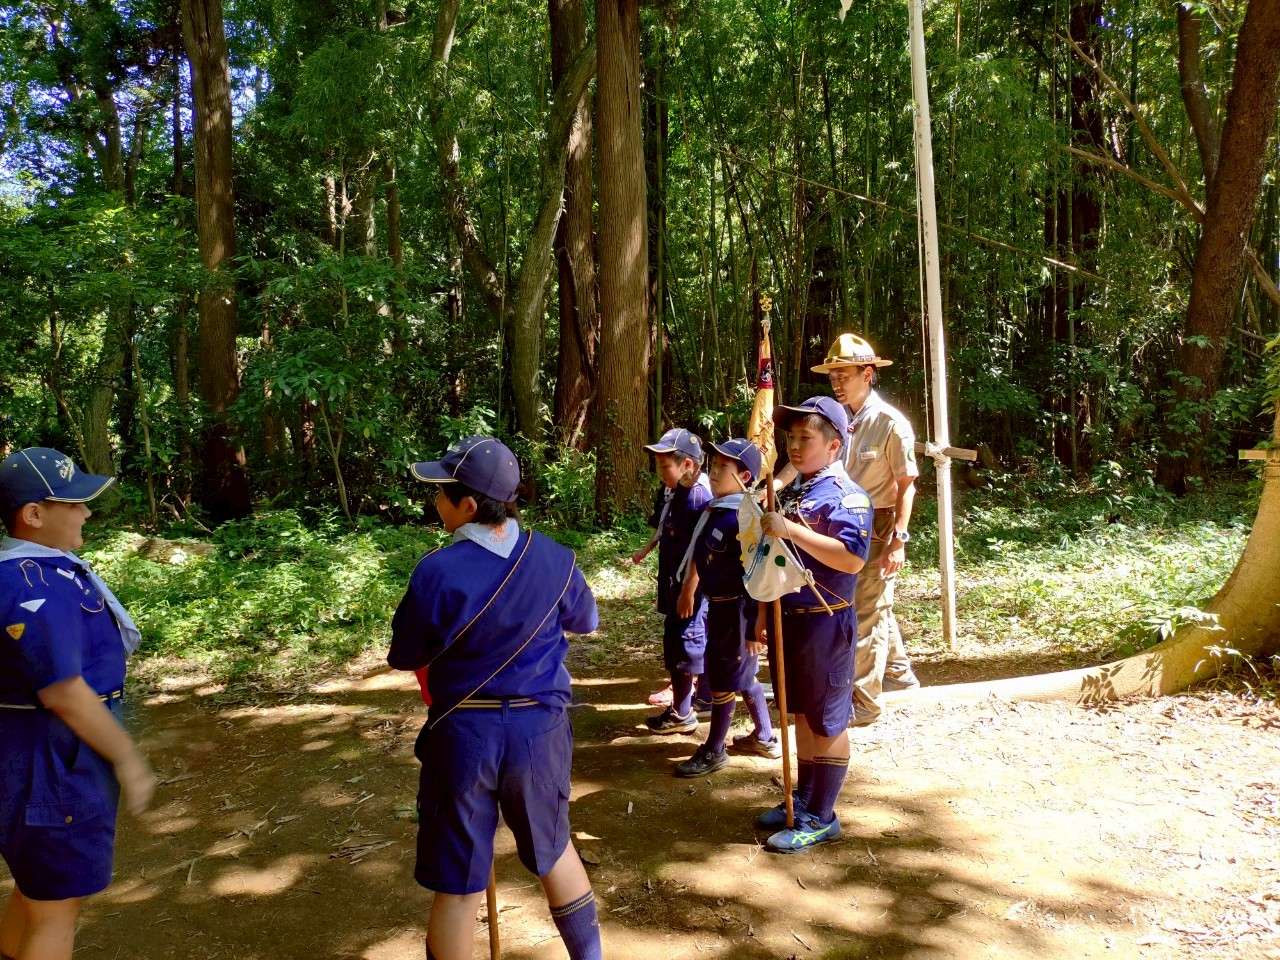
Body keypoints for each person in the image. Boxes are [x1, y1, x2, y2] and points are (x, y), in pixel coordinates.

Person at [386, 436, 602, 960]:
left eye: (441, 493)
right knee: (555, 851)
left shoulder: (436, 571)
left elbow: (406, 654)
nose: (435, 502)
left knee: (457, 881)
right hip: (539, 732)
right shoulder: (557, 558)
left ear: (466, 505)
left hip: (464, 736)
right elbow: (586, 620)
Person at [0, 448, 155, 960]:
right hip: (51, 760)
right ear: (33, 514)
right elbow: (63, 691)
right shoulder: (32, 584)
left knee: (37, 893)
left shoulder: (47, 572)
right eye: (73, 503)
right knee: (56, 912)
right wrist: (127, 757)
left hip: (48, 752)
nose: (86, 512)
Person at [756, 399, 871, 853]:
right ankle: (803, 800)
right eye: (791, 437)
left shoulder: (847, 496)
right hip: (791, 619)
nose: (796, 446)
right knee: (802, 713)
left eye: (806, 438)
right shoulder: (796, 491)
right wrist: (763, 613)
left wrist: (791, 530)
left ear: (834, 446)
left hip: (826, 622)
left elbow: (852, 558)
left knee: (827, 721)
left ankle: (822, 816)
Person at [811, 334, 921, 725]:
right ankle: (898, 673)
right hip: (843, 522)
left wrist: (898, 540)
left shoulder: (890, 423)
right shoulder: (836, 421)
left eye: (844, 376)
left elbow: (907, 486)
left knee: (867, 610)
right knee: (874, 603)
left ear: (868, 374)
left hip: (879, 524)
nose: (837, 383)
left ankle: (866, 701)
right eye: (832, 377)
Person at [671, 439, 779, 777]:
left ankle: (715, 749)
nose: (714, 472)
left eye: (723, 467)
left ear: (745, 477)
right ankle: (764, 736)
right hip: (718, 607)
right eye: (713, 465)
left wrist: (755, 626)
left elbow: (760, 576)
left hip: (738, 612)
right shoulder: (717, 510)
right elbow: (700, 554)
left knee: (722, 679)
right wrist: (690, 588)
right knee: (741, 674)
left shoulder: (747, 519)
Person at [631, 429, 712, 734]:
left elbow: (702, 548)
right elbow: (665, 527)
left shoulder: (700, 498)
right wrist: (647, 549)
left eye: (665, 466)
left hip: (690, 589)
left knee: (685, 645)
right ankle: (696, 701)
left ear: (687, 465)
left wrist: (689, 589)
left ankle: (683, 712)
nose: (661, 473)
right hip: (674, 581)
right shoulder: (676, 491)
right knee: (679, 642)